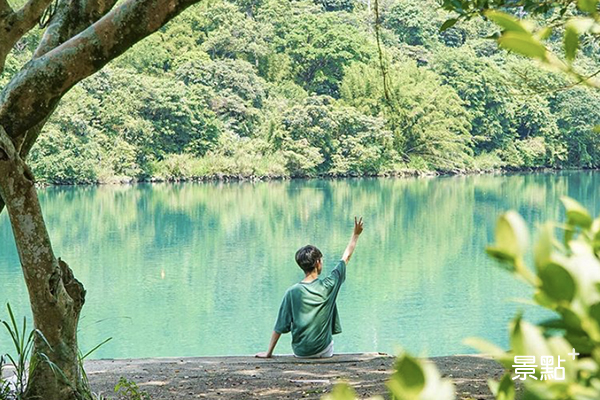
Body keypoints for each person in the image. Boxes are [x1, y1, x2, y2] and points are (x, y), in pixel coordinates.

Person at [255, 217, 364, 358]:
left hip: (300, 353)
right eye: (322, 260)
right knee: (328, 342)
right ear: (318, 263)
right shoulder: (329, 285)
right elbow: (346, 258)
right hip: (323, 352)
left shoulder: (292, 292)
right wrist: (355, 235)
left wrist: (268, 353)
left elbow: (280, 326)